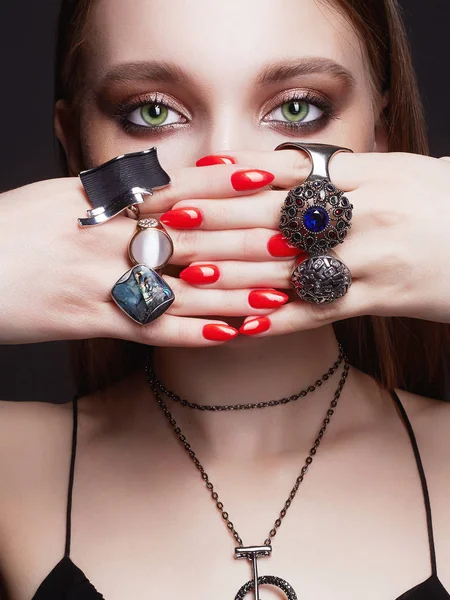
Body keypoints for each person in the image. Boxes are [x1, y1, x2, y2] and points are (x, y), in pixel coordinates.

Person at [0, 0, 449, 598]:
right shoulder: (15, 464)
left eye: (297, 108)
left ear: (381, 138)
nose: (227, 161)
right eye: (153, 111)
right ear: (79, 150)